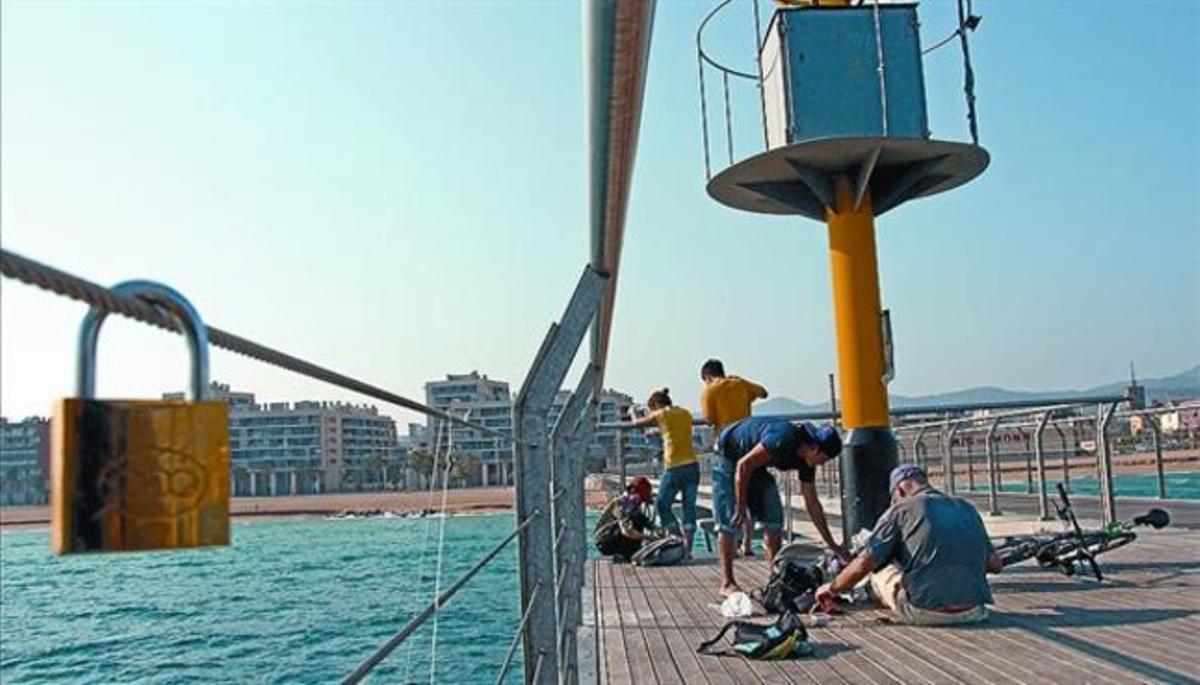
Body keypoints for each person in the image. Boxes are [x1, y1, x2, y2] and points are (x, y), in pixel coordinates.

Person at [815, 465, 1003, 625]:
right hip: (975, 611)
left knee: (880, 572)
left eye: (894, 498)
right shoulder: (966, 507)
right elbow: (995, 565)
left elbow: (864, 564)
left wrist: (831, 588)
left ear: (900, 490)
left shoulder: (900, 510)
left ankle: (863, 596)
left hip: (926, 612)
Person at [714, 416, 845, 596]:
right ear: (814, 448)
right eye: (823, 459)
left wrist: (832, 545)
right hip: (730, 454)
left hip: (756, 465)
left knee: (774, 518)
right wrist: (741, 505)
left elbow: (812, 503)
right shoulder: (783, 438)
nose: (822, 465)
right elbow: (743, 465)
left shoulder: (807, 462)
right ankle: (727, 582)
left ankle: (775, 578)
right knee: (730, 519)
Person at [699, 359, 768, 556]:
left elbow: (710, 419)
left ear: (707, 377)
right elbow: (763, 392)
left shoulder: (709, 390)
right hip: (750, 444)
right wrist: (740, 384)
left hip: (727, 446)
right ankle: (746, 544)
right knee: (748, 495)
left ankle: (731, 546)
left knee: (726, 497)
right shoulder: (740, 384)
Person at [629, 388, 699, 555]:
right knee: (689, 508)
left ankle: (677, 541)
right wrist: (656, 431)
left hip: (674, 467)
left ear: (657, 405)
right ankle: (688, 549)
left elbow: (637, 423)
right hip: (692, 465)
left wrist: (633, 412)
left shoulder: (661, 414)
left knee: (662, 505)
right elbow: (674, 431)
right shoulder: (685, 413)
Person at [594, 476, 657, 561]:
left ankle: (630, 551)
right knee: (634, 519)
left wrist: (658, 530)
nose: (641, 502)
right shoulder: (622, 504)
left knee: (640, 518)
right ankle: (624, 554)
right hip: (604, 541)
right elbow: (627, 531)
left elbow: (646, 523)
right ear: (632, 491)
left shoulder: (632, 505)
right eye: (640, 498)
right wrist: (649, 537)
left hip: (615, 534)